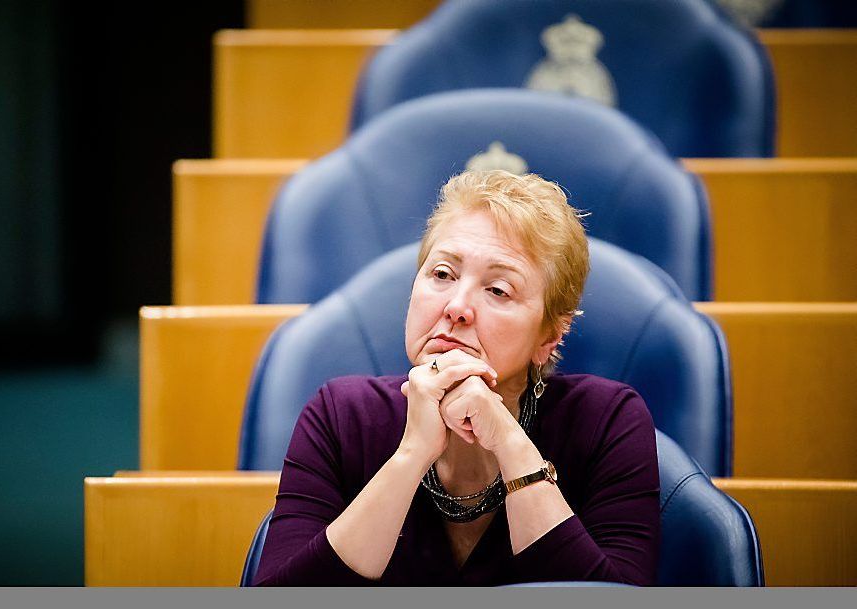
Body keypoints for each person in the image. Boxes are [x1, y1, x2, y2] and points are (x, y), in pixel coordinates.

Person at [253, 170, 660, 586]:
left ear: (549, 336)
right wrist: (411, 456)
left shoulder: (608, 421)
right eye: (443, 274)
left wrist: (509, 442)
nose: (457, 307)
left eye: (499, 290)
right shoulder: (341, 417)